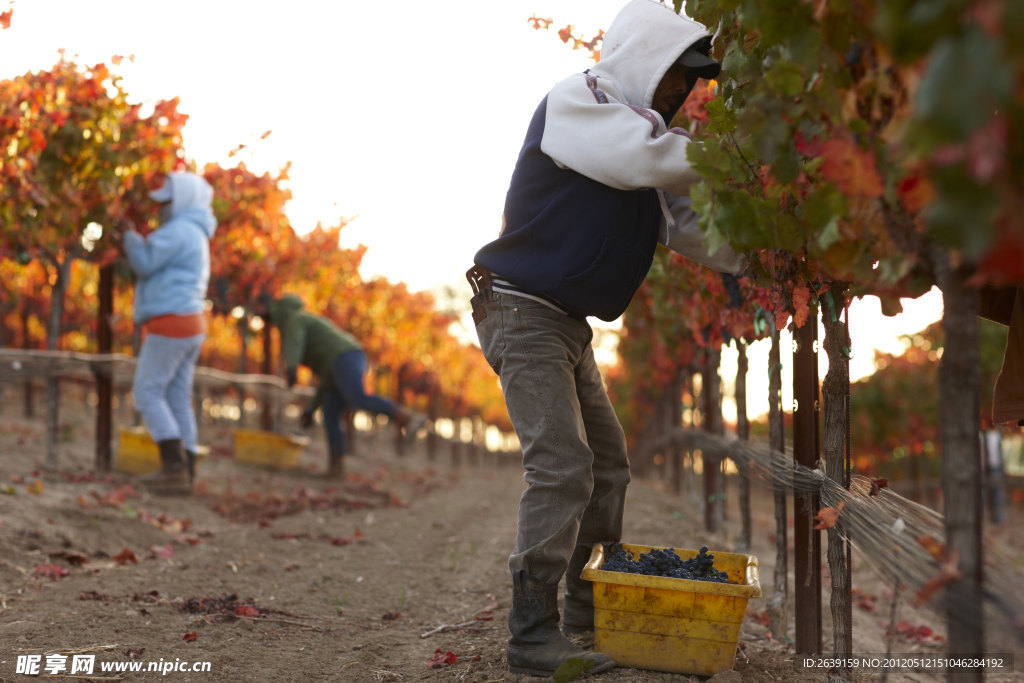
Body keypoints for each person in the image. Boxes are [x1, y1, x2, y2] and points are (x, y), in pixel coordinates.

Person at [468, 0, 746, 676]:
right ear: (645, 61)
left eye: (690, 84)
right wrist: (732, 158)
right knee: (562, 466)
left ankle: (587, 610)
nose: (683, 93)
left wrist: (765, 252)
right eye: (677, 76)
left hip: (564, 321)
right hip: (520, 309)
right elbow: (643, 159)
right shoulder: (580, 103)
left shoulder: (643, 145)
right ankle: (531, 633)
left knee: (609, 465)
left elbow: (686, 226)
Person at [124, 170, 217, 495]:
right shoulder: (197, 233)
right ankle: (187, 470)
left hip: (170, 321)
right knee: (177, 398)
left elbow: (145, 263)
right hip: (192, 322)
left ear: (185, 200)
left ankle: (174, 468)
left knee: (147, 391)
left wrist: (129, 237)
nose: (161, 208)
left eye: (167, 201)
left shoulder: (178, 230)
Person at [265, 294, 427, 479]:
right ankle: (336, 469)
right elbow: (326, 379)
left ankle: (407, 418)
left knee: (356, 396)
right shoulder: (309, 329)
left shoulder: (296, 319)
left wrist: (292, 367)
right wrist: (312, 409)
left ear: (280, 311)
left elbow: (295, 342)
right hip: (338, 364)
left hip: (346, 357)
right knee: (331, 415)